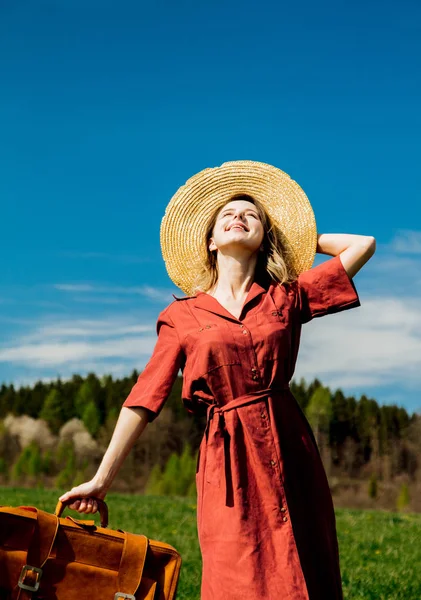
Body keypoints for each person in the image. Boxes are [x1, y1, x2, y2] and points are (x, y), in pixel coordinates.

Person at [59, 160, 376, 600]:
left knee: (308, 561)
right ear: (210, 240)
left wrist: (299, 239)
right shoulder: (181, 316)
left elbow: (363, 245)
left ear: (265, 236)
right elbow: (144, 398)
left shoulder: (286, 296)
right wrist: (101, 479)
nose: (238, 217)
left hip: (290, 446)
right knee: (237, 571)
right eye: (226, 215)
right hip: (227, 461)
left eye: (252, 216)